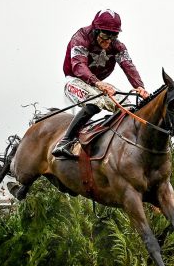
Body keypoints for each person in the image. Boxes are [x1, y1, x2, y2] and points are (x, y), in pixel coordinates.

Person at [52, 9, 150, 158]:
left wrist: (140, 87)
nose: (109, 40)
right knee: (96, 102)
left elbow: (128, 66)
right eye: (105, 35)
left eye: (114, 35)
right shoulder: (80, 38)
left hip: (96, 83)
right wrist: (98, 83)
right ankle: (65, 141)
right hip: (75, 80)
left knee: (129, 106)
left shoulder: (117, 46)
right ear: (96, 30)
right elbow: (78, 66)